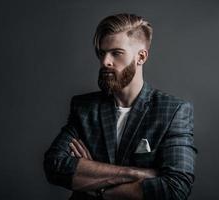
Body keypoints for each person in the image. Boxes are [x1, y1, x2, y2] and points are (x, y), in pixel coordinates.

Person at [43, 13, 197, 200]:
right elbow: (55, 166)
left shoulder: (172, 111)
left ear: (141, 57)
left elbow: (175, 188)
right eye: (102, 53)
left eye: (116, 53)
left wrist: (94, 180)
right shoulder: (84, 107)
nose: (105, 61)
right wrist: (135, 173)